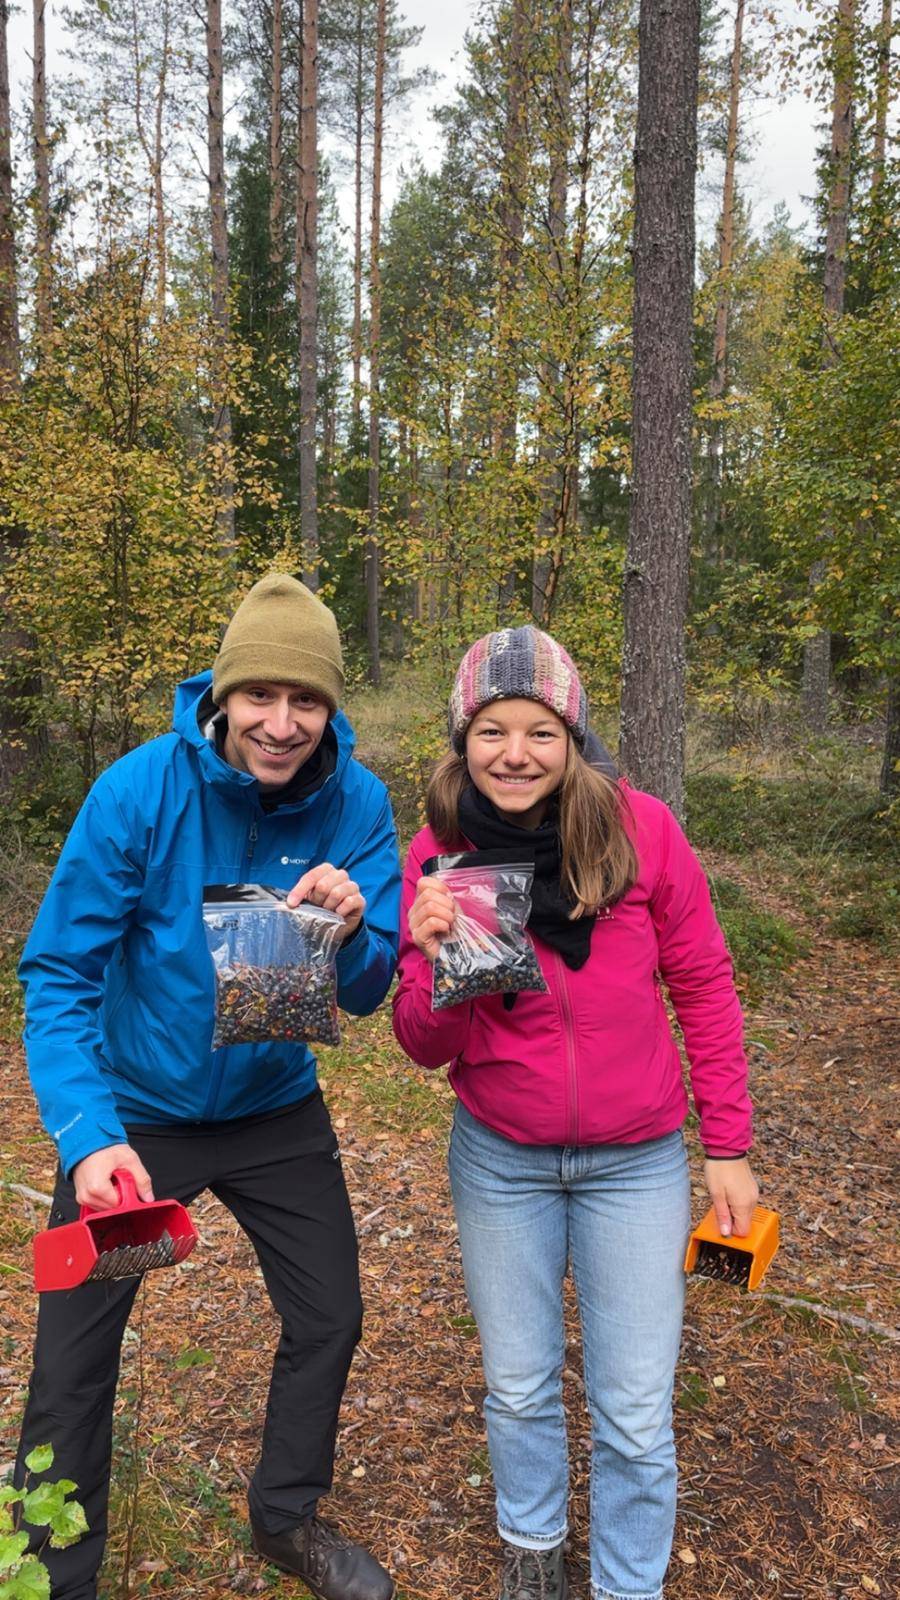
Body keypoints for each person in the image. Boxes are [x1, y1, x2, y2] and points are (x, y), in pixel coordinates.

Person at [16, 574, 401, 1600]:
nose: (281, 724)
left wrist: (354, 932)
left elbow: (370, 991)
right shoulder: (140, 791)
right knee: (73, 1359)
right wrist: (90, 1134)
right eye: (260, 695)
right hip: (138, 1118)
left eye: (306, 700)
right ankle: (51, 1574)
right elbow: (58, 976)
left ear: (331, 708)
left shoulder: (357, 802)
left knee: (330, 1316)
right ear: (222, 695)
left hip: (275, 1110)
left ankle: (285, 1518)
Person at [392, 626, 759, 1600]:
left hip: (636, 1162)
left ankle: (628, 1585)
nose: (515, 753)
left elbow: (704, 985)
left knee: (634, 1408)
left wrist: (727, 1144)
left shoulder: (643, 831)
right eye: (492, 730)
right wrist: (435, 961)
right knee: (518, 1386)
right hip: (500, 1158)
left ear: (574, 737)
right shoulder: (441, 849)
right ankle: (534, 1553)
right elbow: (424, 1044)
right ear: (462, 739)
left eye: (540, 731)